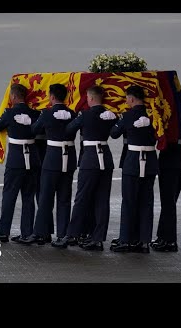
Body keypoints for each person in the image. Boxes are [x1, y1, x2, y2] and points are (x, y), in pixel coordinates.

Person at [52, 85, 118, 250]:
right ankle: (98, 238)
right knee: (102, 200)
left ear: (91, 98)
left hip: (90, 159)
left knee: (81, 198)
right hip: (106, 158)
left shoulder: (85, 115)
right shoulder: (110, 115)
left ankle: (71, 234)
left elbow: (69, 130)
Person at [17, 83, 77, 245]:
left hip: (52, 159)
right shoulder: (72, 113)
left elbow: (35, 130)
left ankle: (40, 232)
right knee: (64, 198)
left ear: (51, 97)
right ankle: (62, 234)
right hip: (69, 158)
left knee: (45, 198)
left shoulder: (47, 114)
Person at [0, 84, 41, 243]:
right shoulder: (35, 113)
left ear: (14, 97)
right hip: (33, 159)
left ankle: (3, 231)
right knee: (29, 197)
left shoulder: (9, 113)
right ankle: (27, 233)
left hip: (16, 161)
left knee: (9, 195)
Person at [110, 85, 158, 253]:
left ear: (131, 98)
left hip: (132, 162)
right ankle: (143, 241)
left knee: (129, 201)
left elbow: (114, 133)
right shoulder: (154, 114)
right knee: (146, 202)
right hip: (150, 161)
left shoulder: (128, 116)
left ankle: (125, 239)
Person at [151, 107, 181, 252]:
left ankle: (169, 240)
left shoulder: (171, 111)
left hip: (171, 156)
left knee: (168, 202)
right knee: (169, 201)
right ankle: (163, 236)